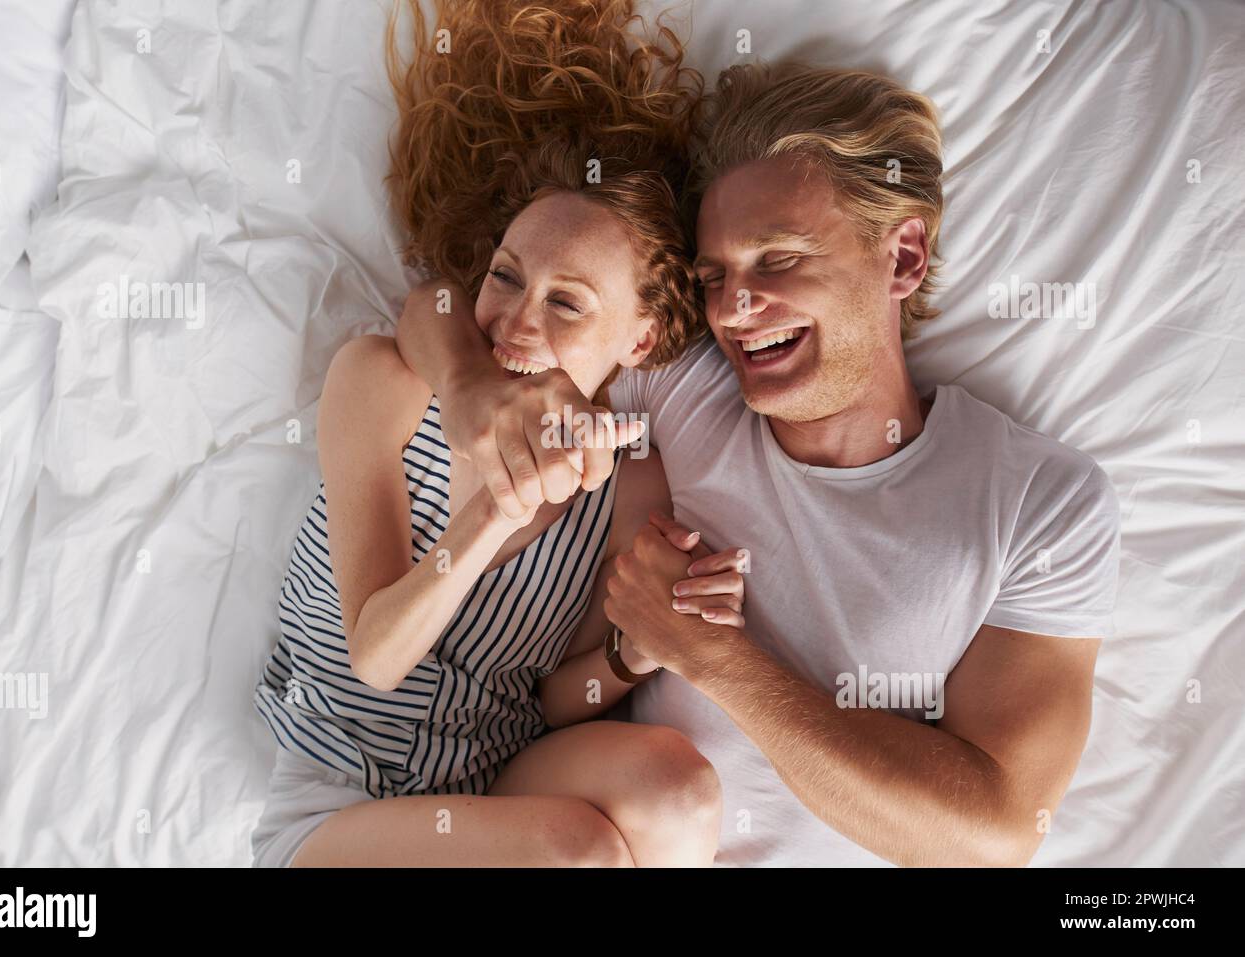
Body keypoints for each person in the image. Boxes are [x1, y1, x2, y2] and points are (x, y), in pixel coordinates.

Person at [396, 63, 1122, 867]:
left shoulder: (1037, 502)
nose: (735, 311)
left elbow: (993, 831)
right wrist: (466, 389)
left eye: (777, 260)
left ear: (905, 257)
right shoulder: (680, 391)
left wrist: (712, 654)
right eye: (715, 278)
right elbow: (433, 309)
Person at [250, 0, 746, 867]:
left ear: (642, 341)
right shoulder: (389, 383)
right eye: (506, 277)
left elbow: (555, 698)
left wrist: (632, 655)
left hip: (493, 777)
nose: (516, 322)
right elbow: (375, 655)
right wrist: (490, 510)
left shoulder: (631, 485)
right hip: (340, 792)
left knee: (676, 790)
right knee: (578, 851)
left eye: (565, 302)